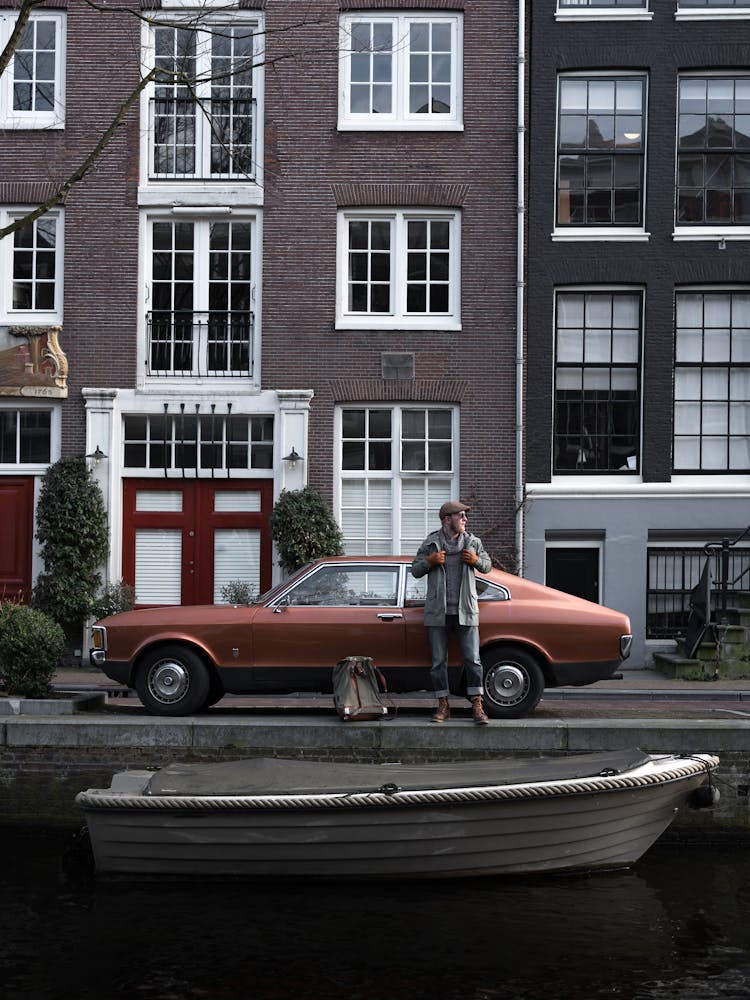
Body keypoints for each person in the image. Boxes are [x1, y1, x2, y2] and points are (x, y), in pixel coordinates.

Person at [411, 501, 492, 724]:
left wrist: (476, 560)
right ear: (447, 519)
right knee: (438, 662)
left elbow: (487, 565)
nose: (465, 519)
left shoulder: (473, 542)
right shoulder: (431, 543)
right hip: (438, 612)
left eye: (465, 516)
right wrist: (429, 561)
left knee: (473, 660)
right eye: (461, 516)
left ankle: (477, 705)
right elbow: (415, 570)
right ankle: (443, 705)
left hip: (466, 610)